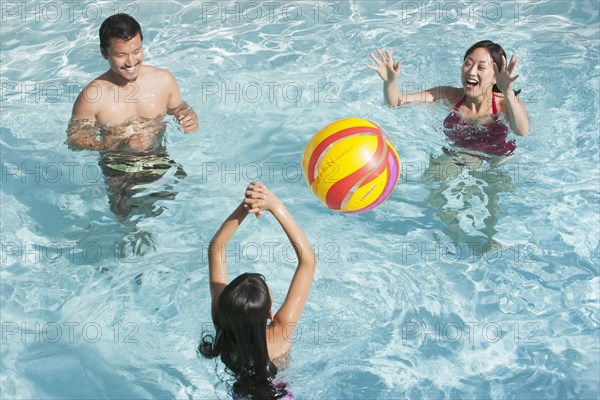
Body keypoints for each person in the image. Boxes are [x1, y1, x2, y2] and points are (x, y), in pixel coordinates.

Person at [199, 182, 316, 399]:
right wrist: (275, 206)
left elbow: (216, 249)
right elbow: (308, 261)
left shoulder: (222, 325)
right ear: (270, 312)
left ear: (225, 305)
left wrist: (246, 207)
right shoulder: (279, 332)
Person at [367, 40, 529, 157]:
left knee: (493, 197)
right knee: (436, 182)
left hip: (497, 155)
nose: (471, 72)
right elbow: (396, 103)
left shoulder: (505, 103)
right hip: (458, 152)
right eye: (468, 63)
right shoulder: (449, 95)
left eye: (481, 67)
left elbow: (521, 131)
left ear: (496, 77)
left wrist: (508, 92)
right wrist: (390, 83)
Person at [67, 13, 199, 152]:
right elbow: (76, 141)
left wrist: (189, 119)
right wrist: (120, 146)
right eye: (121, 55)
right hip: (117, 167)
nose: (131, 62)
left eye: (136, 51)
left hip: (159, 158)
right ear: (104, 53)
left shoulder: (163, 80)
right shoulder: (92, 97)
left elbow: (180, 109)